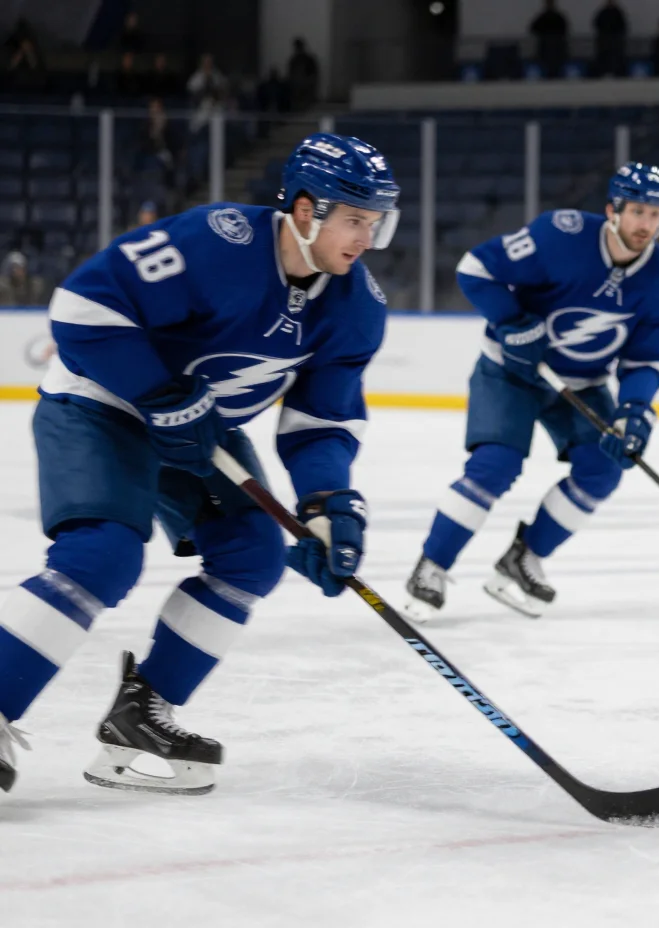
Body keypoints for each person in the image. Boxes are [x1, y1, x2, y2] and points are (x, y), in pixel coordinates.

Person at [0, 134, 400, 794]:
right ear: (306, 210)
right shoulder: (218, 243)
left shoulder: (355, 308)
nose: (367, 236)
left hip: (199, 428)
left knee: (254, 556)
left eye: (375, 221)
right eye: (355, 218)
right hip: (101, 401)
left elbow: (320, 420)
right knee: (104, 555)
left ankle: (142, 714)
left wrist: (329, 504)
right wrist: (159, 395)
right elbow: (82, 307)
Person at [404, 164, 659, 620]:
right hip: (510, 370)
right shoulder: (561, 235)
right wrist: (513, 323)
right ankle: (431, 565)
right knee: (495, 466)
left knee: (603, 469)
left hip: (582, 382)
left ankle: (523, 558)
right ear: (612, 210)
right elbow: (475, 270)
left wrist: (635, 411)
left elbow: (647, 360)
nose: (647, 225)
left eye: (657, 215)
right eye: (638, 211)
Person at [529, 0, 570, 78]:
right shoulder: (557, 17)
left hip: (553, 49)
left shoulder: (548, 17)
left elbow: (533, 29)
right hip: (550, 48)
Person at [592, 0, 629, 77]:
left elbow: (623, 25)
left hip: (615, 40)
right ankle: (603, 73)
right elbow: (596, 23)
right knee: (604, 57)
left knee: (616, 58)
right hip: (604, 40)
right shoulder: (602, 12)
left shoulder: (618, 13)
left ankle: (617, 73)